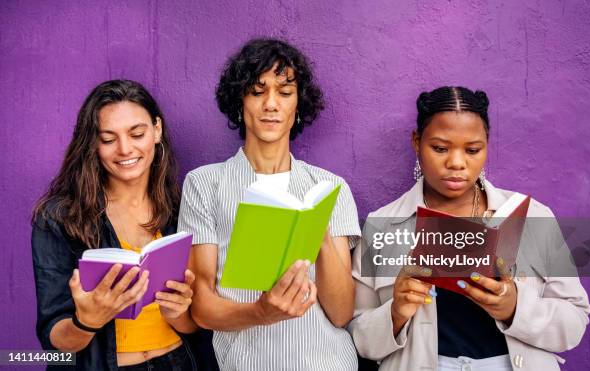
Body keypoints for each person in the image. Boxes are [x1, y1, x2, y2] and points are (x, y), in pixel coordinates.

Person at [348, 86, 590, 371]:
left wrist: (515, 309)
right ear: (416, 142)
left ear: (487, 145)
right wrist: (395, 312)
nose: (457, 163)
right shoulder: (383, 225)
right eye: (440, 148)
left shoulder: (532, 217)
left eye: (473, 150)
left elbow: (574, 322)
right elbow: (359, 337)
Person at [178, 38, 360, 370]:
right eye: (257, 91)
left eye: (285, 92)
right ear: (240, 102)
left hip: (327, 361)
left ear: (298, 106)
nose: (271, 104)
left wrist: (317, 232)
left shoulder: (331, 188)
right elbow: (201, 307)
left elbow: (342, 312)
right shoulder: (204, 184)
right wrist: (260, 313)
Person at [32, 80, 204, 370]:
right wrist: (87, 321)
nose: (125, 149)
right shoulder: (59, 218)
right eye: (108, 139)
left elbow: (196, 326)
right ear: (93, 144)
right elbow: (55, 343)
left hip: (179, 362)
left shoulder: (183, 207)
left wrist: (178, 313)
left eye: (137, 134)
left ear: (157, 130)